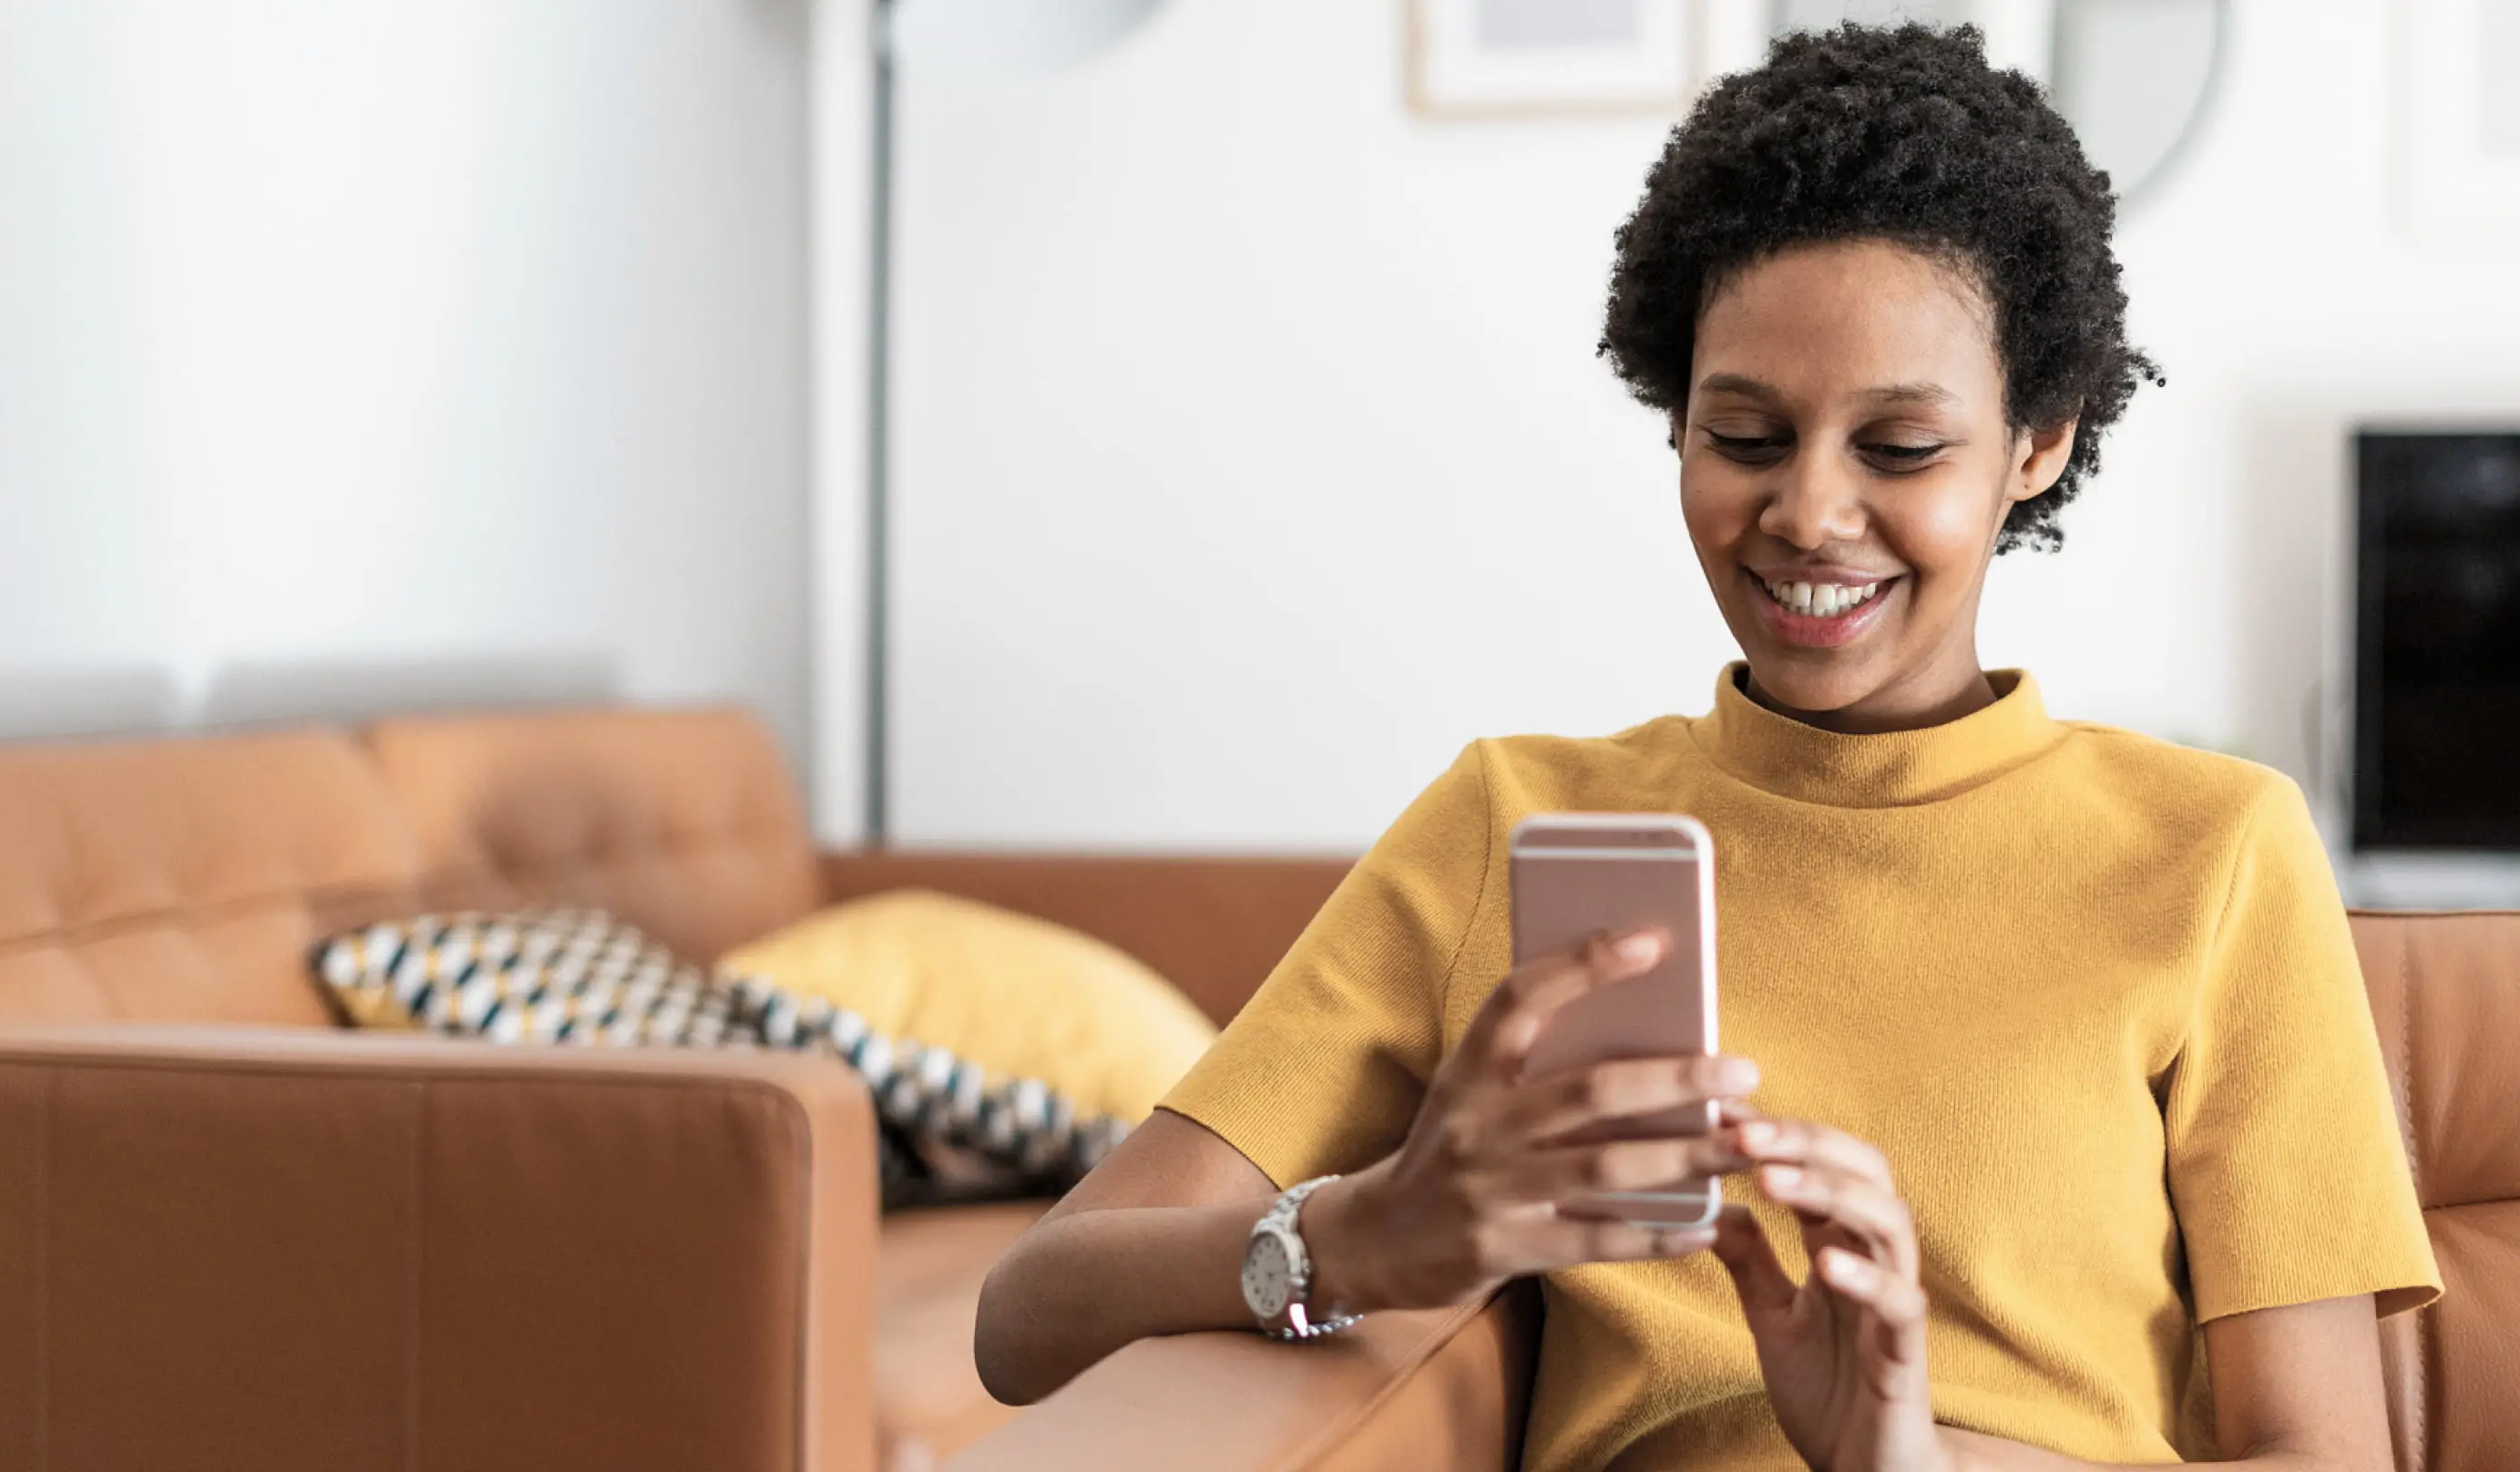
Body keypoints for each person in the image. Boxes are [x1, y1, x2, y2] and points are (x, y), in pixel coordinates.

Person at [972, 24, 2437, 1472]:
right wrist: (1362, 1236)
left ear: (2037, 443)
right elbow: (1026, 1315)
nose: (1807, 510)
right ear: (1677, 423)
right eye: (1745, 433)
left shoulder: (2218, 850)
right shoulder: (1514, 821)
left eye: (1900, 448)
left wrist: (1911, 1461)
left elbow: (2327, 1456)